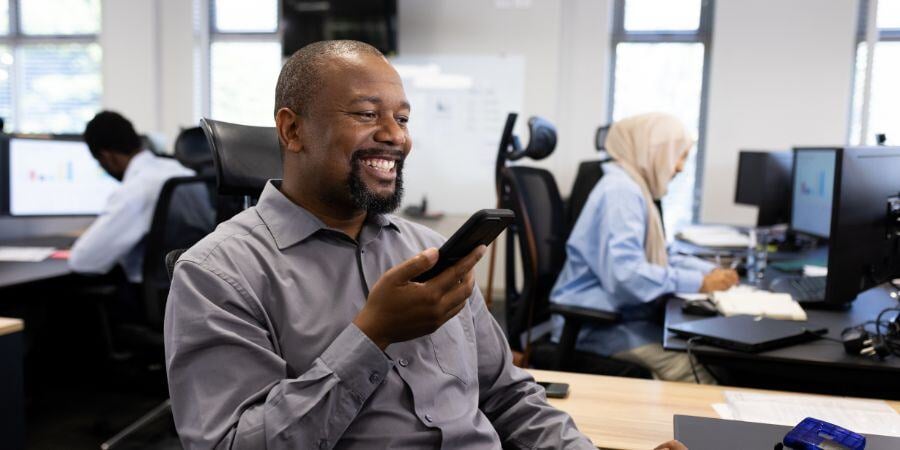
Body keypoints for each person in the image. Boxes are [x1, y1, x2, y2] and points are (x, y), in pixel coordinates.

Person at [163, 40, 689, 450]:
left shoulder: (429, 248)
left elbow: (506, 395)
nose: (397, 136)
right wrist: (372, 336)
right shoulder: (216, 273)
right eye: (368, 114)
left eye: (404, 118)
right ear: (293, 130)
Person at [551, 112, 739, 383]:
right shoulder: (621, 193)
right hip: (596, 326)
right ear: (653, 152)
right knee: (698, 371)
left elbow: (663, 255)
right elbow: (628, 276)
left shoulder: (634, 187)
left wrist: (710, 271)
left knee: (710, 355)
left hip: (620, 317)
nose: (680, 167)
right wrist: (699, 282)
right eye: (679, 155)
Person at [69, 111, 198, 283]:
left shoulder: (136, 189)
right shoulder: (183, 171)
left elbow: (83, 261)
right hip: (193, 285)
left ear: (107, 157)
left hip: (150, 297)